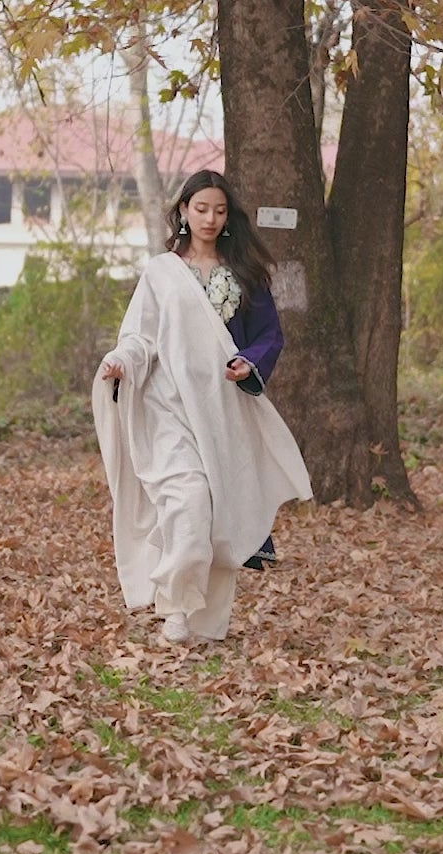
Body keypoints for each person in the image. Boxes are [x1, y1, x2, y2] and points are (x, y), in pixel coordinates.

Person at [92, 170, 311, 645]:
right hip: (167, 407)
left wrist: (248, 362)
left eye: (220, 210)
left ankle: (206, 623)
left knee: (218, 512)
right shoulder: (162, 273)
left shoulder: (245, 272)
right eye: (201, 208)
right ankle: (174, 606)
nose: (210, 218)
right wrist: (121, 360)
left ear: (229, 217)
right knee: (188, 501)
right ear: (184, 211)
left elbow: (269, 335)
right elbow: (141, 335)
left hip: (221, 410)